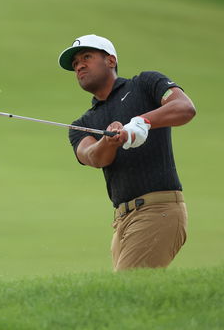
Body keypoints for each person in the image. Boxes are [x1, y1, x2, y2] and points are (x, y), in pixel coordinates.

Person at [59, 34, 196, 271]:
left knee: (127, 289)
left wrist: (141, 122)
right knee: (131, 298)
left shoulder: (145, 84)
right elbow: (94, 157)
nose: (79, 65)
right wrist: (108, 141)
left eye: (87, 57)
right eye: (75, 64)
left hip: (158, 210)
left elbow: (185, 108)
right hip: (121, 222)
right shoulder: (82, 123)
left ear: (110, 61)